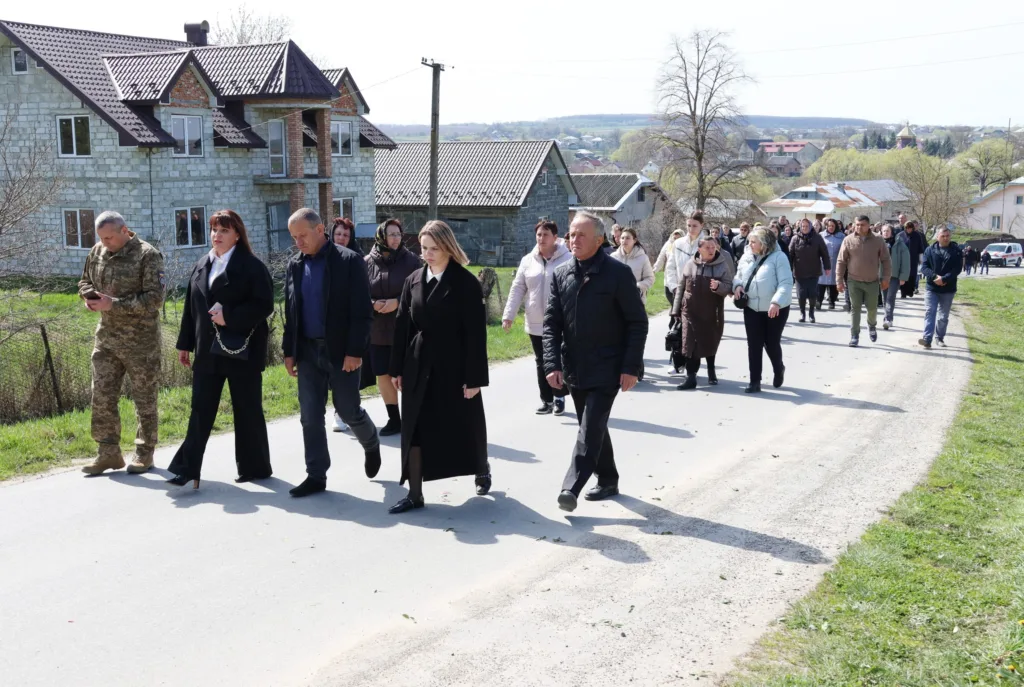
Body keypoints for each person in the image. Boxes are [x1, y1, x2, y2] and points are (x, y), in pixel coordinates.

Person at [543, 211, 648, 513]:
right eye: (571, 234)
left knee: (589, 430)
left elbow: (637, 323)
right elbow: (552, 324)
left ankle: (570, 487)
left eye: (581, 235)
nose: (573, 239)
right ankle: (609, 478)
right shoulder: (562, 273)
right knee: (592, 425)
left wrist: (630, 367)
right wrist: (552, 365)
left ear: (599, 240)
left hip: (609, 367)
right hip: (575, 366)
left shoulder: (617, 274)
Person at [167, 210, 274, 489]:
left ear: (237, 234)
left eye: (224, 230)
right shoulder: (203, 263)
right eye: (214, 230)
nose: (217, 235)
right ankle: (188, 469)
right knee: (200, 409)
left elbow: (264, 305)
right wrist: (184, 344)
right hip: (206, 351)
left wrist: (231, 317)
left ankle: (255, 467)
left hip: (242, 351)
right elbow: (192, 309)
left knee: (247, 409)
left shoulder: (251, 266)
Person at [388, 221, 490, 513]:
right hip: (418, 363)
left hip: (455, 366)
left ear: (448, 247)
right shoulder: (413, 280)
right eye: (423, 248)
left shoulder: (466, 283)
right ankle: (415, 493)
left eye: (434, 249)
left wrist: (474, 379)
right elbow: (402, 327)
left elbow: (475, 334)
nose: (428, 254)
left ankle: (481, 468)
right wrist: (396, 369)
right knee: (415, 426)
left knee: (466, 423)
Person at [283, 208, 381, 498]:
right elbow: (292, 313)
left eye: (302, 235)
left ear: (320, 229)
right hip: (308, 352)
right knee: (310, 415)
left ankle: (371, 442)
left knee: (348, 409)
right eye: (293, 237)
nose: (298, 242)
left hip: (341, 352)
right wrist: (290, 351)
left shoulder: (348, 262)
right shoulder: (295, 265)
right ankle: (316, 475)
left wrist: (355, 351)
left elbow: (362, 312)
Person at [77, 211, 164, 476]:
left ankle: (144, 453)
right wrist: (88, 297)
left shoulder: (148, 255)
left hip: (141, 342)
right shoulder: (97, 251)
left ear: (125, 231)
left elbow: (154, 299)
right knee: (102, 396)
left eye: (110, 238)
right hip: (106, 340)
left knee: (144, 400)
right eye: (101, 238)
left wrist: (112, 304)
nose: (106, 243)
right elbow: (84, 280)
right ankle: (108, 453)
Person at [503, 219, 572, 416]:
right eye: (539, 234)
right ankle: (547, 400)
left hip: (559, 322)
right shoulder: (528, 260)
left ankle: (559, 397)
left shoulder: (567, 259)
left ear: (555, 238)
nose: (541, 238)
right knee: (541, 361)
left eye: (546, 235)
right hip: (535, 321)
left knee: (557, 360)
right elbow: (518, 288)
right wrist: (509, 315)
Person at [364, 218, 421, 436]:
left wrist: (398, 302)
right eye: (391, 234)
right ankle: (394, 419)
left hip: (405, 328)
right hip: (377, 330)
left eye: (398, 234)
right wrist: (372, 304)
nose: (396, 238)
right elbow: (357, 295)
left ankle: (412, 418)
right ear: (381, 236)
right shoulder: (366, 262)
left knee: (407, 373)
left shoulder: (412, 261)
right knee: (383, 374)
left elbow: (420, 291)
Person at [733, 228, 792, 394]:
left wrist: (776, 302)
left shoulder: (779, 258)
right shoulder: (746, 257)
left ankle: (778, 368)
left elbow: (786, 283)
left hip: (775, 308)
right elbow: (738, 276)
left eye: (754, 242)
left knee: (771, 342)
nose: (750, 244)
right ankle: (754, 381)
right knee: (754, 344)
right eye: (749, 241)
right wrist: (737, 286)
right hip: (751, 307)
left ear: (764, 244)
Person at [671, 235, 735, 390]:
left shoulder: (722, 265)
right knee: (690, 343)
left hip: (711, 312)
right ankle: (691, 377)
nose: (711, 250)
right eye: (708, 248)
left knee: (708, 341)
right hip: (690, 311)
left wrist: (718, 286)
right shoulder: (690, 264)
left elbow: (729, 286)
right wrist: (676, 309)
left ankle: (711, 370)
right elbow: (681, 286)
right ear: (699, 249)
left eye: (713, 247)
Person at [836, 215, 892, 347]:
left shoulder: (878, 240)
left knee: (872, 308)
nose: (859, 227)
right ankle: (854, 335)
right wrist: (838, 280)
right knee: (855, 308)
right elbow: (841, 261)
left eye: (862, 224)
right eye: (857, 224)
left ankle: (872, 326)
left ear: (868, 225)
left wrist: (886, 278)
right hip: (853, 281)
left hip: (872, 281)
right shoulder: (848, 240)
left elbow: (886, 260)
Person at [918, 227, 963, 349]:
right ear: (937, 237)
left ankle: (939, 338)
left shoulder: (957, 251)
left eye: (947, 235)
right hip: (932, 288)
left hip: (948, 288)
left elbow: (957, 269)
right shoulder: (929, 250)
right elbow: (924, 267)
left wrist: (944, 279)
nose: (946, 238)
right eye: (943, 236)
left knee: (943, 316)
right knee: (930, 312)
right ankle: (927, 339)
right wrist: (935, 277)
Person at [789, 218, 831, 323]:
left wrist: (827, 267)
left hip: (814, 271)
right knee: (801, 294)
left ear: (810, 227)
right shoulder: (795, 239)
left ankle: (811, 313)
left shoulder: (817, 238)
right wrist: (787, 269)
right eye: (802, 226)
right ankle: (802, 313)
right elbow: (790, 255)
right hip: (799, 272)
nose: (804, 228)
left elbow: (824, 253)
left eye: (806, 226)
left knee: (812, 294)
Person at [665, 211, 708, 305]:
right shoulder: (678, 243)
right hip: (679, 292)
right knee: (681, 318)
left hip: (700, 294)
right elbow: (670, 267)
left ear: (702, 225)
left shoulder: (708, 244)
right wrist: (674, 287)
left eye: (694, 226)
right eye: (688, 225)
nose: (691, 229)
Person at [610, 227, 656, 305]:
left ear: (634, 240)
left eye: (628, 238)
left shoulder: (643, 258)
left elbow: (650, 279)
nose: (624, 240)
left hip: (636, 301)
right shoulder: (613, 257)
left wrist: (636, 286)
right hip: (616, 302)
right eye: (622, 238)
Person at [880, 224, 911, 331]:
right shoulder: (878, 243)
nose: (885, 233)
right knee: (885, 298)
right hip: (881, 275)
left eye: (887, 231)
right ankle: (889, 318)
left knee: (890, 297)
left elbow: (906, 262)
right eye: (883, 231)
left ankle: (887, 319)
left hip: (894, 276)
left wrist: (903, 277)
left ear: (892, 232)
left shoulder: (900, 244)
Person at [818, 219, 845, 310]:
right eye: (829, 226)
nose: (831, 228)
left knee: (834, 283)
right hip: (823, 263)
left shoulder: (841, 236)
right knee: (821, 282)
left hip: (836, 263)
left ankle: (832, 301)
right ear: (826, 226)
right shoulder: (821, 235)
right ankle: (819, 301)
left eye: (833, 226)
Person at [896, 220, 927, 298]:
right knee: (903, 275)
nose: (909, 230)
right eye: (907, 228)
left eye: (910, 228)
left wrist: (921, 257)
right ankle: (903, 292)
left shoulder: (917, 235)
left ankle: (910, 291)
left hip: (913, 259)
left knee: (912, 275)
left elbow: (920, 247)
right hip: (902, 259)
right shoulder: (900, 235)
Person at [653, 228, 685, 303]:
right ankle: (676, 311)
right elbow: (661, 257)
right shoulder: (668, 244)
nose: (676, 240)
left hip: (680, 275)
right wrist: (654, 270)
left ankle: (678, 312)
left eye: (678, 238)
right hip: (669, 275)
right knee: (668, 295)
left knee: (679, 299)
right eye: (675, 238)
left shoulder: (685, 246)